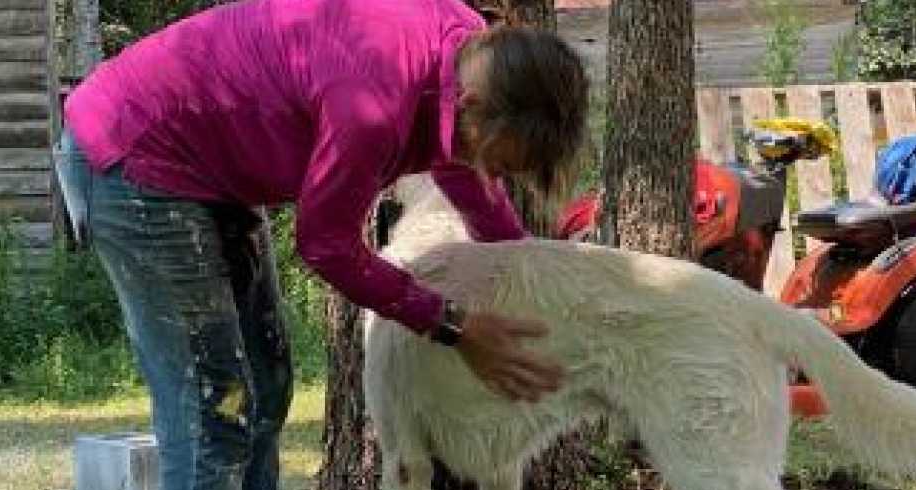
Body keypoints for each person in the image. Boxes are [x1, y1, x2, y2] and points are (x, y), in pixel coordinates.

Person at [51, 0, 588, 488]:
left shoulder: (474, 50)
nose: (487, 172)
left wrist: (527, 274)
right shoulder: (373, 101)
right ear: (472, 104)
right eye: (492, 157)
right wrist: (452, 324)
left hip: (211, 171)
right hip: (138, 158)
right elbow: (325, 244)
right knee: (213, 412)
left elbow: (464, 172)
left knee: (264, 391)